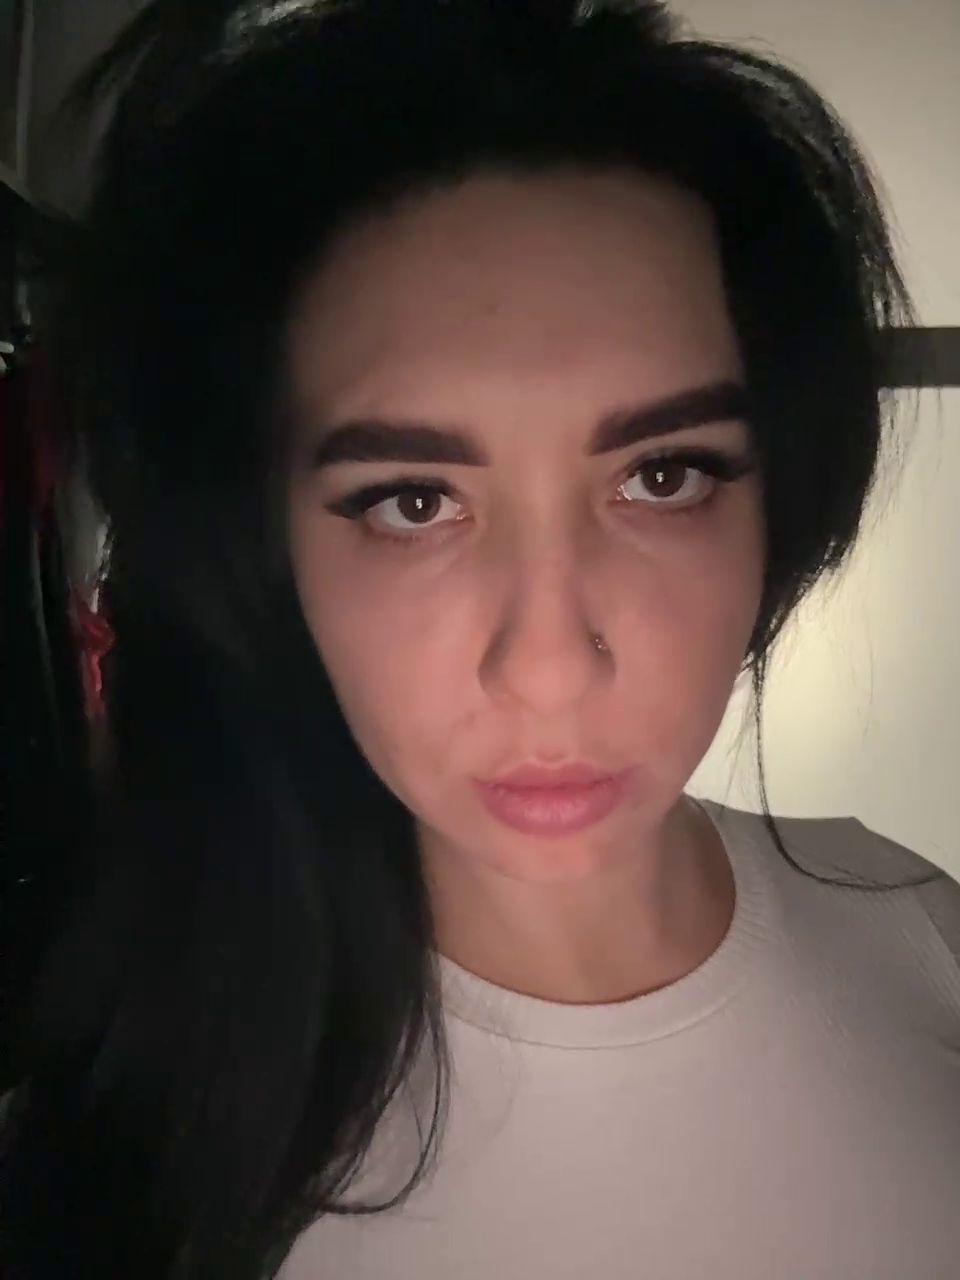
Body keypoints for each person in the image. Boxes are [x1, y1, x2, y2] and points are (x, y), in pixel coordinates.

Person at [2, 2, 958, 1277]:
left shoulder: (918, 927)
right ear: (270, 549)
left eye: (664, 475)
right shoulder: (129, 1146)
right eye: (413, 502)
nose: (549, 666)